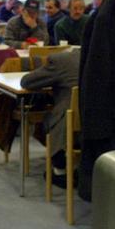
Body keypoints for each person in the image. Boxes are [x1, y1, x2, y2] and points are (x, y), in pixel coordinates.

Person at [20, 48, 80, 188]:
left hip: (67, 127)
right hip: (100, 127)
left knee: (47, 119)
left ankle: (60, 168)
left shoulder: (61, 61)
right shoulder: (106, 58)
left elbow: (27, 82)